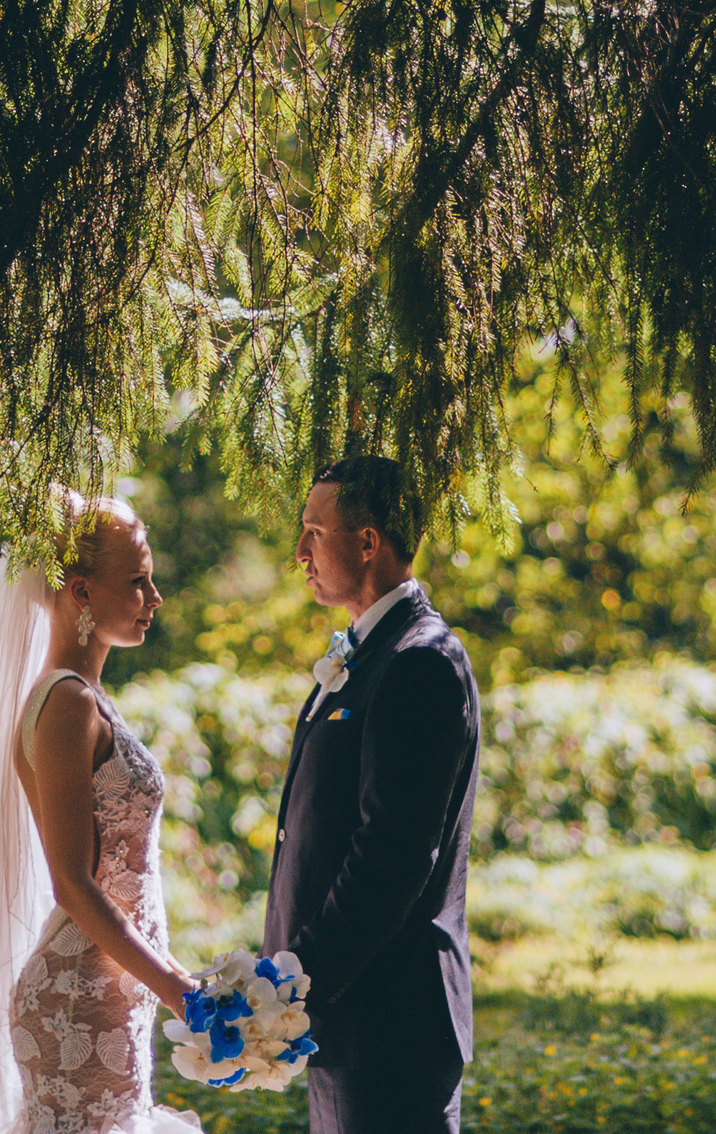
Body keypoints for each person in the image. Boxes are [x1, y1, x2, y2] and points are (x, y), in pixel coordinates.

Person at [0, 492, 203, 1134]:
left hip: (115, 986)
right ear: (80, 591)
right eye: (137, 582)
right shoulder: (66, 704)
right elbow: (73, 883)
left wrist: (168, 978)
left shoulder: (88, 699)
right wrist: (170, 986)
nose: (155, 597)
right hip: (77, 995)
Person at [263, 455, 481, 1134]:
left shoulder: (419, 661)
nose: (300, 551)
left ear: (367, 541)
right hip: (345, 1023)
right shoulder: (368, 650)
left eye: (314, 532)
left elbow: (390, 856)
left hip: (390, 1026)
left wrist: (297, 979)